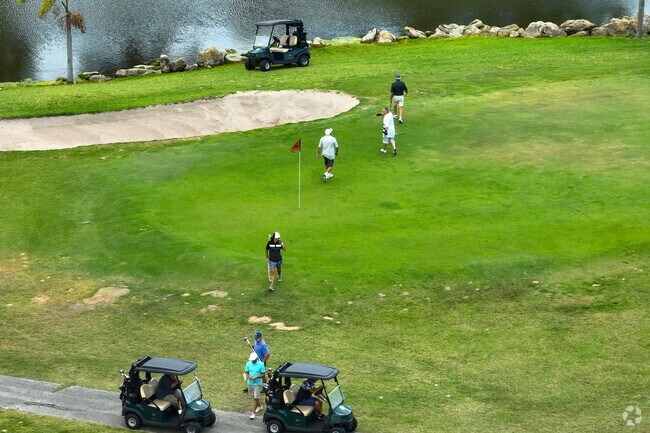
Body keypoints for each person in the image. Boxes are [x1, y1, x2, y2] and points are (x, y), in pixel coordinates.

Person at [245, 351, 267, 419]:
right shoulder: (248, 364)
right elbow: (246, 372)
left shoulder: (261, 364)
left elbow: (263, 374)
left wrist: (257, 377)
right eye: (252, 360)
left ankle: (253, 413)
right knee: (253, 397)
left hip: (258, 383)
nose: (252, 361)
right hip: (250, 383)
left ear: (256, 358)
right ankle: (259, 407)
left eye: (253, 360)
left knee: (255, 397)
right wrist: (249, 376)